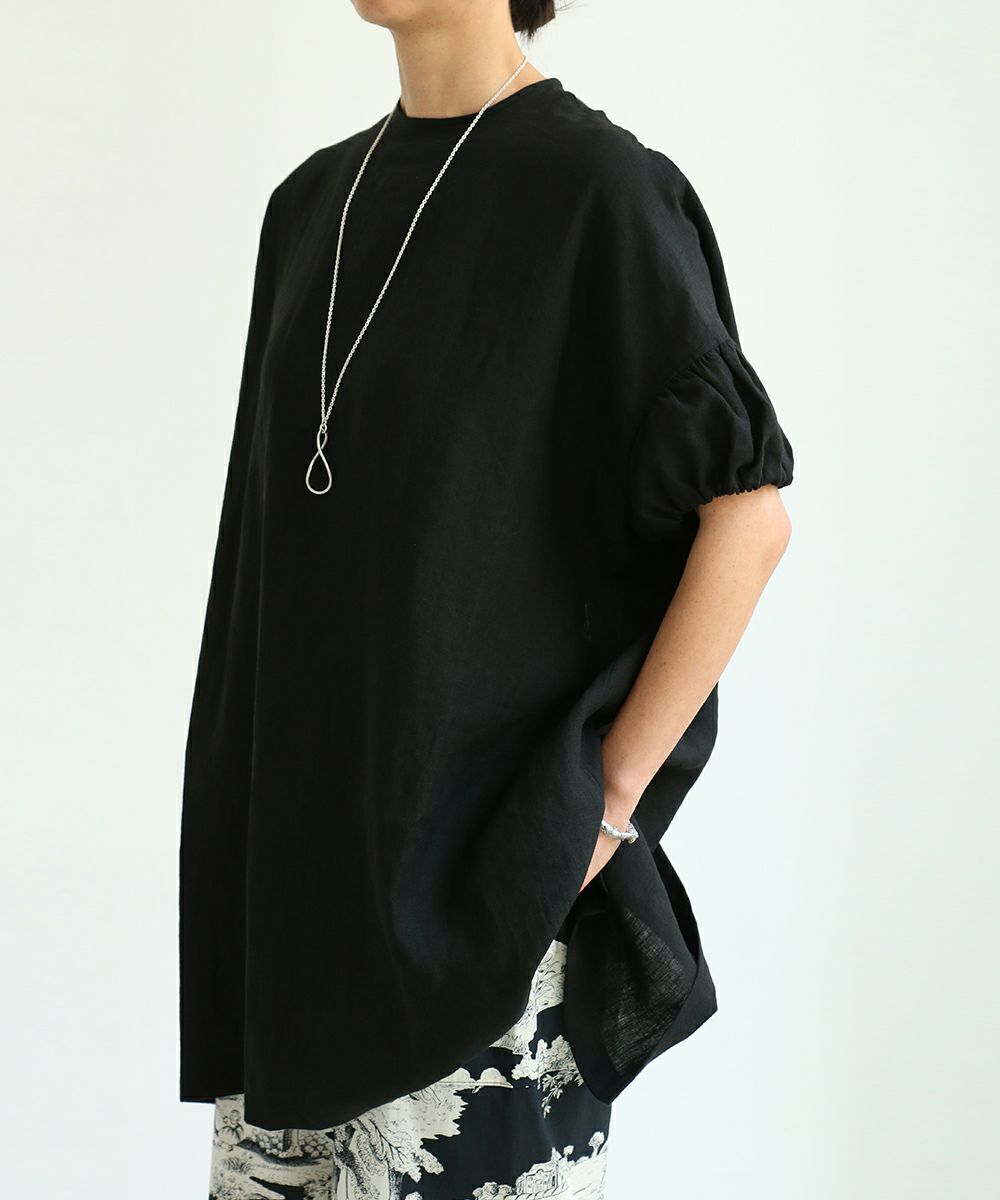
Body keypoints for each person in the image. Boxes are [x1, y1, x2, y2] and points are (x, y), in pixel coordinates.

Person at [179, 1, 795, 1196]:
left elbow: (747, 518)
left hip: (485, 919)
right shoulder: (309, 206)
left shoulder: (599, 194)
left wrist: (608, 809)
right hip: (297, 917)